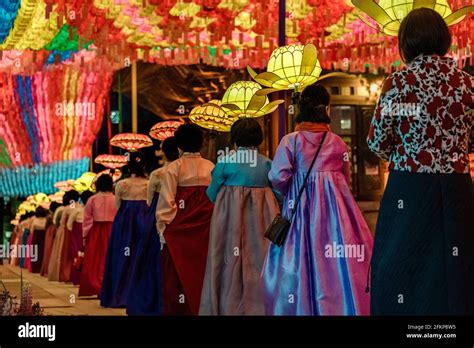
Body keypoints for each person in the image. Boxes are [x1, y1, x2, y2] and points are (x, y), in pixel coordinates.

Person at [367, 8, 474, 315]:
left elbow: (377, 142)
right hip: (456, 188)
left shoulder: (399, 85)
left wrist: (409, 152)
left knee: (403, 264)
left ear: (405, 45)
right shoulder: (467, 85)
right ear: (445, 40)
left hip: (408, 190)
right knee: (457, 267)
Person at [261, 84, 374, 315]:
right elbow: (345, 176)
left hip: (300, 209)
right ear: (326, 109)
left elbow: (277, 176)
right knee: (337, 260)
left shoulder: (290, 141)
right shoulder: (338, 142)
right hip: (337, 210)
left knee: (300, 259)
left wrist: (290, 191)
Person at [199, 119, 280, 315]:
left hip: (229, 223)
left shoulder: (225, 162)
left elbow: (211, 194)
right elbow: (279, 194)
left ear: (234, 139)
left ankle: (228, 306)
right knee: (260, 263)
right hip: (262, 223)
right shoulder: (267, 163)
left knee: (226, 261)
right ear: (258, 139)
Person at [156, 123, 214, 315]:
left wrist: (164, 230)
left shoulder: (174, 168)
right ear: (201, 144)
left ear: (178, 146)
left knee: (177, 278)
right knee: (204, 274)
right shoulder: (211, 167)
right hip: (206, 229)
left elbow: (166, 202)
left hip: (179, 232)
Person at [127, 137, 179, 315]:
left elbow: (150, 201)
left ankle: (154, 299)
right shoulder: (184, 170)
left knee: (152, 260)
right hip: (180, 217)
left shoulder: (157, 174)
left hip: (156, 219)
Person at [100, 152, 149, 308]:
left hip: (124, 223)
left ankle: (119, 294)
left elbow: (118, 206)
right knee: (142, 257)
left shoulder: (121, 184)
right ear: (144, 165)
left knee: (121, 257)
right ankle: (140, 295)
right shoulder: (149, 183)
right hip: (144, 222)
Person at [79, 175, 117, 297]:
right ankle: (109, 287)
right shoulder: (115, 199)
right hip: (112, 230)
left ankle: (95, 286)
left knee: (94, 260)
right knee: (110, 259)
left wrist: (85, 236)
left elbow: (87, 219)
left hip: (96, 230)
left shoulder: (92, 199)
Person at [48, 190, 80, 281]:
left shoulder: (66, 208)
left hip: (65, 233)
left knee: (64, 254)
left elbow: (62, 222)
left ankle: (65, 274)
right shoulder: (80, 207)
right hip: (77, 233)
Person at [67, 190, 94, 285]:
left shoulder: (77, 210)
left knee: (77, 255)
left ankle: (77, 278)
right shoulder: (93, 210)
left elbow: (69, 225)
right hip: (91, 233)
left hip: (78, 234)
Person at [40, 201, 60, 276]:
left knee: (48, 250)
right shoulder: (59, 213)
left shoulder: (49, 216)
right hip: (57, 230)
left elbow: (46, 226)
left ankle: (47, 269)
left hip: (50, 232)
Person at [28, 207, 50, 273]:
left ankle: (35, 268)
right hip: (44, 236)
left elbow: (31, 231)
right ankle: (42, 268)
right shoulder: (46, 220)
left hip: (36, 237)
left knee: (35, 252)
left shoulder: (35, 220)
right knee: (43, 252)